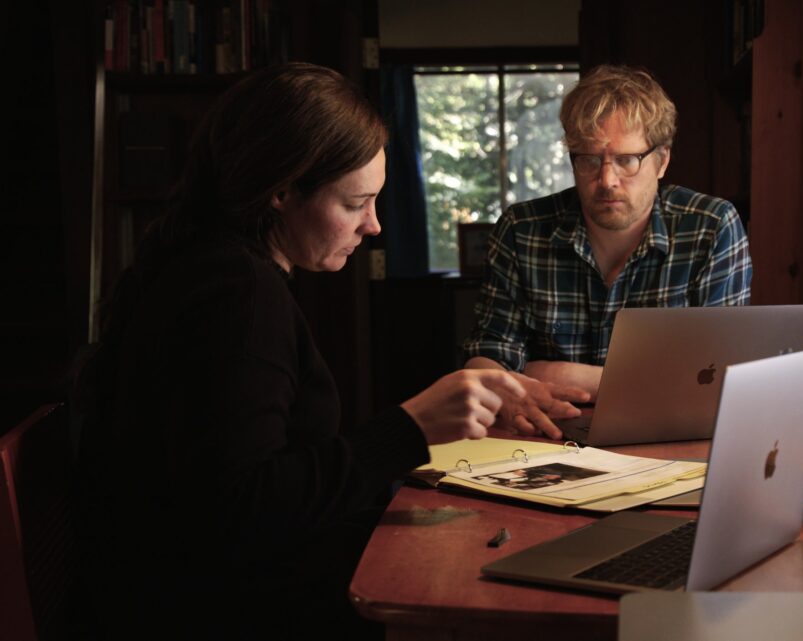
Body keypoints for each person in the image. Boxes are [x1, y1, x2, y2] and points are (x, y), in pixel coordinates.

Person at [73, 62, 575, 639]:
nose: (376, 226)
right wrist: (411, 428)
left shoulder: (204, 266)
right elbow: (240, 510)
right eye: (355, 203)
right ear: (282, 191)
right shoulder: (238, 295)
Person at [463, 64, 753, 438]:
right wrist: (644, 382)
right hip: (545, 436)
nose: (607, 180)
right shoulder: (522, 230)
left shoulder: (710, 227)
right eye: (588, 160)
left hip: (666, 438)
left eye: (626, 160)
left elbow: (719, 381)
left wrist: (564, 373)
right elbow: (484, 365)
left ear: (661, 161)